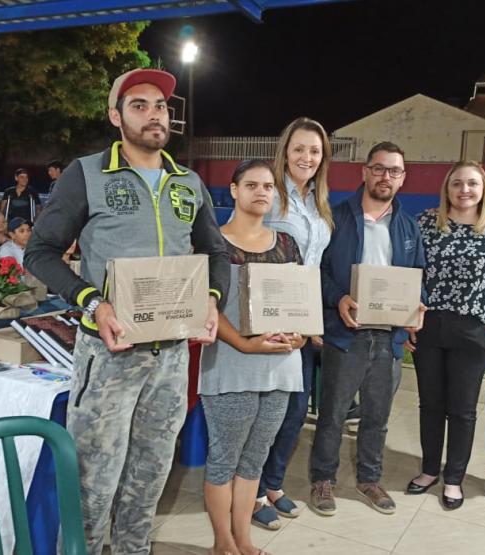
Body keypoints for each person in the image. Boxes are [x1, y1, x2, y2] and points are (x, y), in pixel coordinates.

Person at [25, 68, 228, 554]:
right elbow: (40, 252)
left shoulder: (187, 182)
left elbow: (215, 252)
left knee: (150, 478)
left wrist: (211, 299)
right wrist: (92, 302)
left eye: (160, 106)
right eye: (139, 105)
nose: (154, 115)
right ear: (116, 117)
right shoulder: (88, 174)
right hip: (108, 355)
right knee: (92, 484)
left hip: (170, 357)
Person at [310, 142, 425, 517]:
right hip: (347, 335)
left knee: (377, 416)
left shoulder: (408, 226)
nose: (385, 176)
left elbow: (418, 277)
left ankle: (369, 479)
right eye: (378, 168)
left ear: (403, 178)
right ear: (365, 171)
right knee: (333, 414)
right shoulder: (336, 217)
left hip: (388, 338)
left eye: (394, 171)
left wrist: (418, 305)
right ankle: (322, 478)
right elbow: (318, 271)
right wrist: (339, 298)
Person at [201, 159, 304, 555]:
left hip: (280, 368)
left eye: (268, 186)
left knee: (255, 459)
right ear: (234, 190)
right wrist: (245, 344)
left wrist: (299, 334)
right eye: (252, 185)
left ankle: (243, 538)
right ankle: (222, 542)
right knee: (224, 459)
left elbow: (298, 302)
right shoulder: (213, 243)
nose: (261, 192)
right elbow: (205, 306)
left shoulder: (287, 244)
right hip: (231, 364)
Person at [405, 161, 485, 510]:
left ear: (483, 189)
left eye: (472, 183)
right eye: (457, 183)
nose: (464, 190)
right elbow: (409, 274)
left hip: (472, 331)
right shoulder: (426, 223)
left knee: (462, 409)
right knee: (430, 404)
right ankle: (429, 470)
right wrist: (405, 319)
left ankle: (454, 478)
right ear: (447, 189)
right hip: (429, 326)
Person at [252, 117, 334, 530]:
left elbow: (316, 266)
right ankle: (249, 493)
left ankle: (272, 484)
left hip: (302, 323)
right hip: (269, 319)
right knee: (264, 411)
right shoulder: (268, 192)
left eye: (315, 151)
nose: (307, 157)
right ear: (285, 151)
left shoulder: (319, 202)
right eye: (299, 148)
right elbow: (246, 250)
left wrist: (314, 321)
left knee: (295, 410)